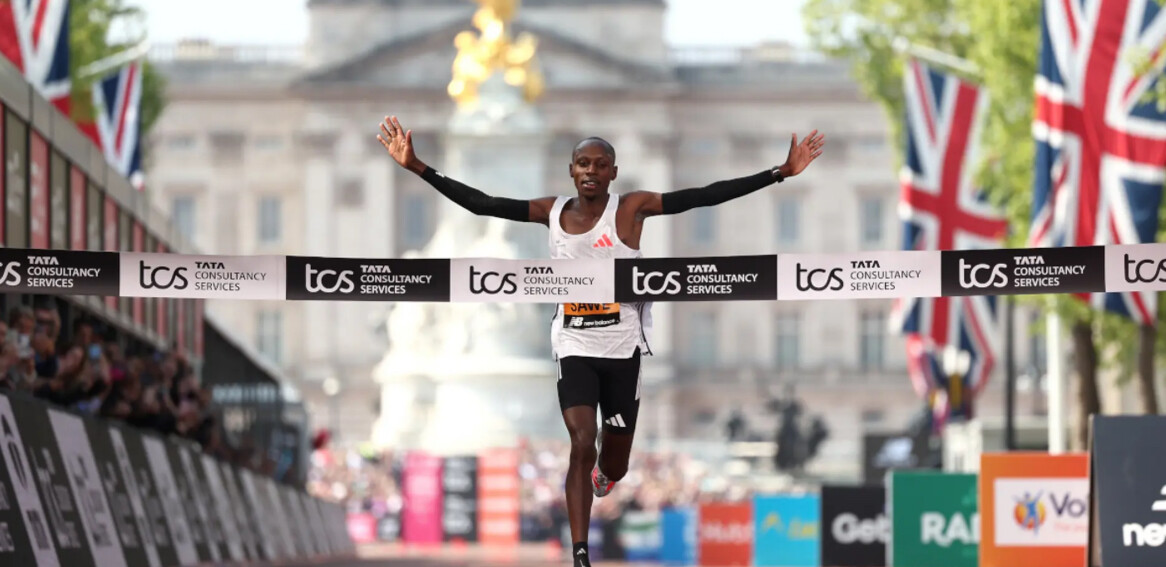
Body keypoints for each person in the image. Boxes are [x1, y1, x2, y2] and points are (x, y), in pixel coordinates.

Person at [377, 115, 824, 566]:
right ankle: (580, 552)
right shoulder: (552, 212)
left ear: (613, 172)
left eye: (600, 164)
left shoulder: (631, 209)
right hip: (574, 344)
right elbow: (483, 205)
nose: (591, 170)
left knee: (614, 463)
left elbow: (703, 196)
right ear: (571, 170)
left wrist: (779, 172)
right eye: (583, 163)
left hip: (622, 349)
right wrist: (418, 167)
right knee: (580, 441)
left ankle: (605, 477)